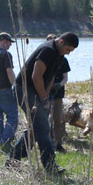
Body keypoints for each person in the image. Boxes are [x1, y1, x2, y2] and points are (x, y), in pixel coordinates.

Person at [8, 32, 78, 173]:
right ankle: (50, 165)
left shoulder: (59, 55)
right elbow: (36, 75)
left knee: (36, 127)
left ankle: (13, 160)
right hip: (24, 89)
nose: (68, 53)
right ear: (61, 41)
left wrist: (45, 95)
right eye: (68, 49)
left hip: (36, 91)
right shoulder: (48, 50)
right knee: (43, 126)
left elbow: (50, 77)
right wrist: (43, 98)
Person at [44, 34, 71, 153]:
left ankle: (58, 143)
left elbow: (65, 77)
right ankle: (48, 142)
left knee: (57, 119)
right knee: (46, 118)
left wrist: (59, 85)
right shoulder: (45, 57)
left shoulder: (63, 60)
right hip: (45, 93)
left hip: (58, 93)